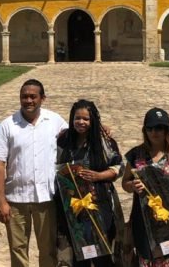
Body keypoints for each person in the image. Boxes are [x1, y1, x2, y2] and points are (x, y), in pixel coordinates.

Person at [0, 79, 68, 267]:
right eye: (24, 96)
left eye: (33, 96)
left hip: (46, 197)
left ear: (42, 98)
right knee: (18, 249)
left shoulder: (54, 121)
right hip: (16, 198)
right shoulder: (8, 124)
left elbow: (79, 134)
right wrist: (1, 200)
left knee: (48, 249)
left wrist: (101, 129)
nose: (29, 100)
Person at [55, 100, 124, 267]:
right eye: (77, 118)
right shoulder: (64, 139)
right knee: (78, 251)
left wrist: (99, 176)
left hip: (99, 202)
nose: (81, 122)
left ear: (93, 121)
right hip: (71, 205)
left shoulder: (104, 141)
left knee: (104, 250)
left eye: (86, 119)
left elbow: (118, 167)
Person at [122, 108, 169, 267]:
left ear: (168, 129)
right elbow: (125, 182)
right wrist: (132, 186)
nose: (154, 132)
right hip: (143, 223)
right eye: (150, 128)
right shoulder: (135, 155)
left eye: (159, 128)